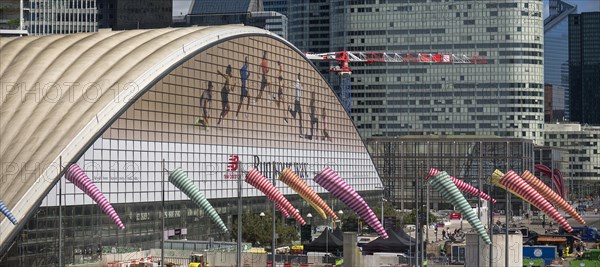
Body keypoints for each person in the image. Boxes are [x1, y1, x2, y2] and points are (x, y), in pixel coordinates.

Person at [288, 73, 304, 137]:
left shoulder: (299, 83)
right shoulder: (297, 83)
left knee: (296, 116)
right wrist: (300, 85)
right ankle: (300, 133)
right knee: (300, 116)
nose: (300, 78)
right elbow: (298, 89)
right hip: (297, 101)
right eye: (300, 76)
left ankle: (290, 109)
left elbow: (301, 89)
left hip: (298, 101)